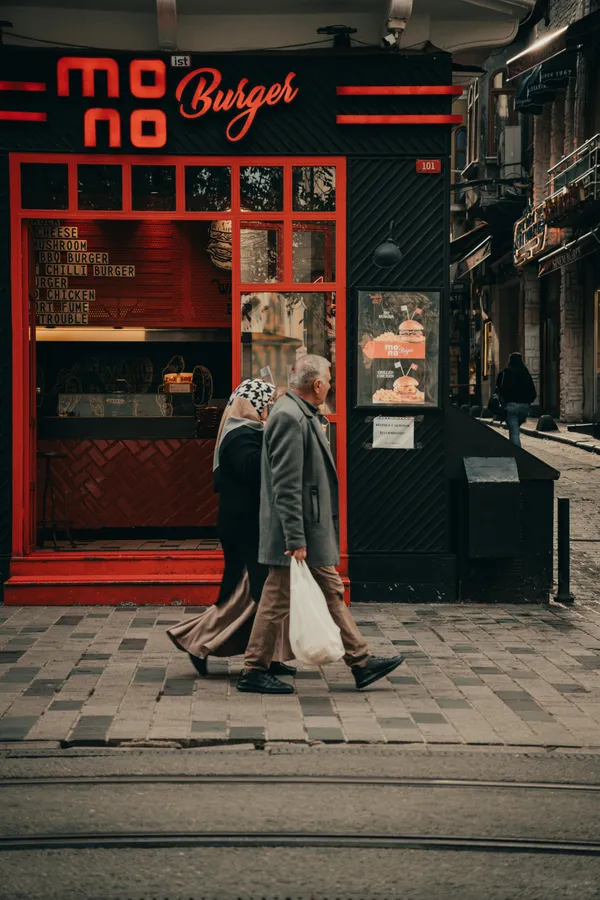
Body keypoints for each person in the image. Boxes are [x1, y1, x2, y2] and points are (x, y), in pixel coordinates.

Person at [237, 355, 405, 695]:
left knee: (331, 591)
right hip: (296, 534)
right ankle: (254, 669)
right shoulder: (289, 417)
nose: (330, 384)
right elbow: (286, 485)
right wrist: (295, 538)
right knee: (276, 599)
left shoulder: (300, 413)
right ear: (317, 385)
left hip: (306, 529)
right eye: (328, 379)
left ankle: (360, 662)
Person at [167, 379, 294, 676]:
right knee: (253, 594)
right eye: (265, 406)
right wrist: (277, 442)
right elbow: (253, 470)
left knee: (260, 593)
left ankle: (269, 655)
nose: (268, 411)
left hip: (252, 523)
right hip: (243, 526)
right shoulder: (239, 435)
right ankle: (196, 641)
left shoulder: (250, 433)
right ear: (252, 405)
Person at [496, 353, 537, 448]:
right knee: (515, 429)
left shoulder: (505, 373)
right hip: (524, 408)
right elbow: (533, 392)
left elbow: (499, 390)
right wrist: (528, 402)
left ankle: (517, 454)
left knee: (514, 432)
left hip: (510, 407)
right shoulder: (525, 373)